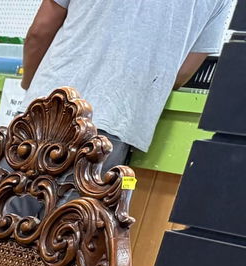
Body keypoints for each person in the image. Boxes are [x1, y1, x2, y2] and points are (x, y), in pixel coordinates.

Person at [22, 0, 231, 165]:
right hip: (115, 125)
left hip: (47, 110)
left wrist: (30, 87)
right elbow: (182, 72)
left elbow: (40, 30)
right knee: (78, 216)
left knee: (6, 211)